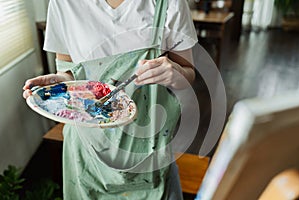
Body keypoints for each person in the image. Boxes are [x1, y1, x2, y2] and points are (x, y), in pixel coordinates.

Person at [23, 0, 198, 199]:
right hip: (87, 148)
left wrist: (175, 74)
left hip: (147, 144)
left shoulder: (168, 3)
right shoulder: (63, 3)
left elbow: (188, 73)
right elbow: (69, 72)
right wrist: (64, 80)